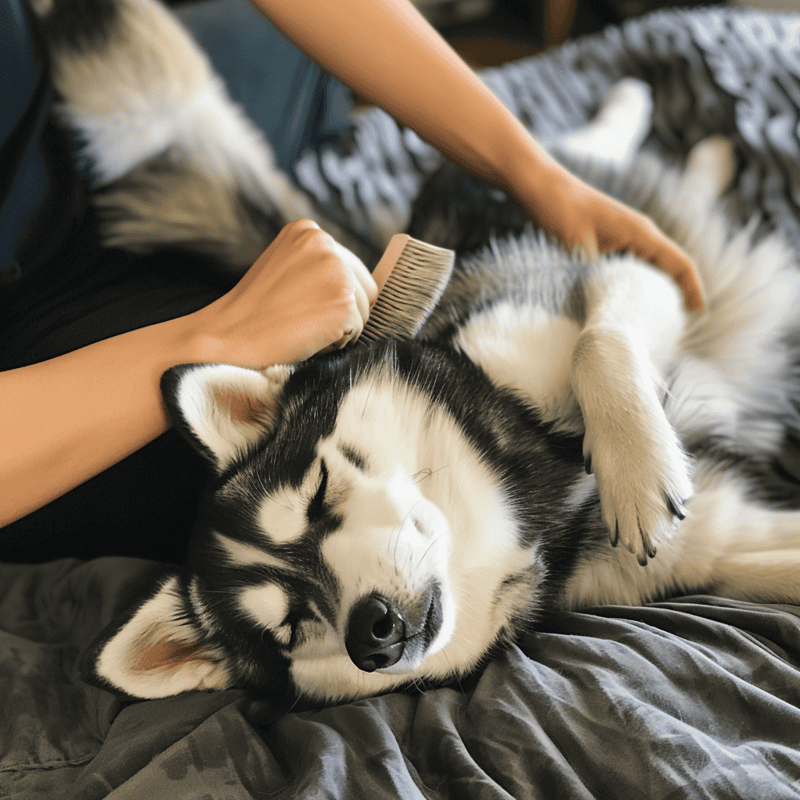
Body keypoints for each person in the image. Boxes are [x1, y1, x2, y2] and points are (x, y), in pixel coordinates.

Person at [0, 0, 702, 563]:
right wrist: (218, 336)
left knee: (288, 48)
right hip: (29, 375)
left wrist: (530, 170)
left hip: (63, 131)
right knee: (261, 457)